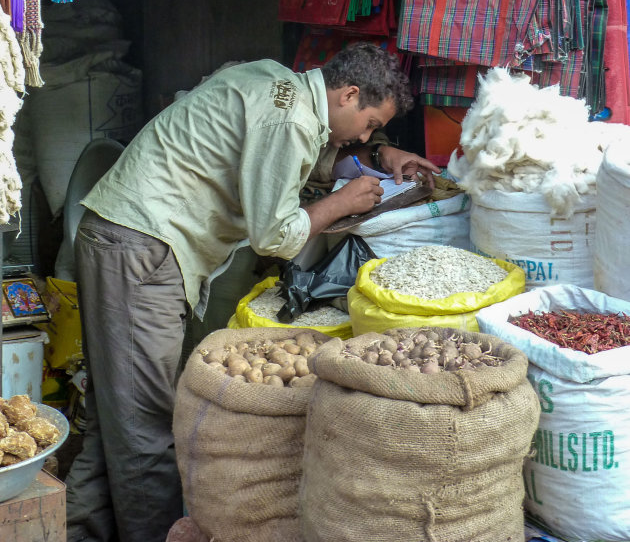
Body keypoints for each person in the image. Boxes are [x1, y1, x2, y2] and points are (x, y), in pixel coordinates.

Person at [65, 42, 439, 542]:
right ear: (349, 95)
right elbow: (274, 235)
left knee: (115, 415)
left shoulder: (272, 80)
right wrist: (341, 202)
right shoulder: (292, 121)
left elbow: (290, 159)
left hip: (119, 238)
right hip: (141, 251)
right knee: (144, 426)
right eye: (369, 123)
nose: (366, 135)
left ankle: (71, 531)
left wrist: (377, 154)